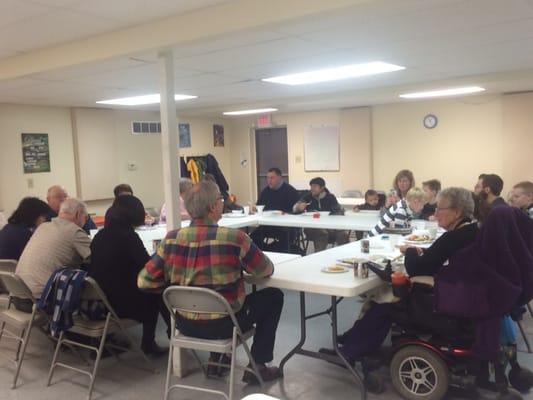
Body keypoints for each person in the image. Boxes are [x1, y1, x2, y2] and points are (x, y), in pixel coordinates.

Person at [138, 181, 284, 383]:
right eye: (221, 200)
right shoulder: (234, 239)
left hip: (184, 324)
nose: (223, 203)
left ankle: (218, 361)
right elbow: (265, 269)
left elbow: (144, 281)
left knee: (218, 305)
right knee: (274, 296)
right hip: (225, 325)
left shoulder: (171, 239)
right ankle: (257, 365)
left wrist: (173, 289)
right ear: (213, 207)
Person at [89, 195, 168, 355]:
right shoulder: (129, 237)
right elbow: (148, 268)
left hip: (103, 301)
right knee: (158, 292)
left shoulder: (99, 236)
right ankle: (152, 342)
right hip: (125, 304)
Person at [16, 198, 91, 299]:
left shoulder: (42, 227)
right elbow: (97, 258)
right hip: (42, 300)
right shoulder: (75, 232)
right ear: (78, 214)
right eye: (86, 217)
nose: (86, 221)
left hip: (17, 295)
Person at [400, 187, 478, 277]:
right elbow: (437, 254)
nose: (435, 214)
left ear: (457, 212)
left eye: (439, 209)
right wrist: (423, 251)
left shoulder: (452, 237)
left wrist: (410, 250)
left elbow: (416, 269)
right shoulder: (472, 228)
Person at [251, 167, 300, 252]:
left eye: (272, 178)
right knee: (252, 239)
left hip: (286, 226)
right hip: (268, 225)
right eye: (267, 178)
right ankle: (268, 251)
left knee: (285, 243)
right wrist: (255, 208)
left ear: (280, 178)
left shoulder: (290, 191)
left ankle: (274, 251)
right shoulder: (266, 191)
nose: (269, 181)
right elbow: (259, 206)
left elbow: (297, 210)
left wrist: (286, 213)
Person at [293, 177, 348, 252]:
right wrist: (298, 207)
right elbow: (294, 208)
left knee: (343, 234)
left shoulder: (330, 197)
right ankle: (319, 258)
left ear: (322, 188)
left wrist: (333, 217)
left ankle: (345, 256)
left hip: (330, 227)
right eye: (311, 186)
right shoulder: (308, 197)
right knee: (322, 233)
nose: (312, 189)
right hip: (312, 228)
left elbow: (339, 211)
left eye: (314, 186)